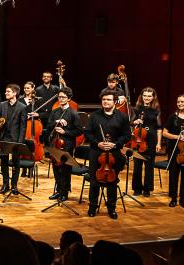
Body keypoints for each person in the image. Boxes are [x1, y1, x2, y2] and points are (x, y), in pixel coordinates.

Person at [85, 90, 132, 218]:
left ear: (115, 102)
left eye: (109, 99)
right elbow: (87, 133)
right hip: (96, 152)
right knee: (94, 181)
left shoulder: (122, 117)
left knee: (112, 181)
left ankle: (111, 208)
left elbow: (127, 135)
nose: (105, 101)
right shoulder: (94, 116)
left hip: (114, 152)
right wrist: (97, 143)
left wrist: (115, 144)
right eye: (104, 99)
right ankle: (93, 207)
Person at [46, 88, 83, 201]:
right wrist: (56, 122)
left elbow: (79, 131)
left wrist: (65, 132)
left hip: (67, 145)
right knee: (56, 169)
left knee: (65, 170)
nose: (60, 99)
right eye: (59, 97)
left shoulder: (73, 113)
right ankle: (58, 190)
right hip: (55, 144)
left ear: (69, 99)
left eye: (63, 97)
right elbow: (48, 126)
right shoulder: (55, 112)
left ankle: (65, 192)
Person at [0, 84, 28, 195]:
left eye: (8, 91)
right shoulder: (2, 105)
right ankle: (5, 184)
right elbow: (0, 121)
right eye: (6, 91)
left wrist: (20, 142)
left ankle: (14, 185)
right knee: (3, 162)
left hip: (15, 139)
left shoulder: (22, 107)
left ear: (14, 93)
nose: (6, 93)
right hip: (4, 138)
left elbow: (23, 126)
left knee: (15, 163)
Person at [131, 87, 163, 198]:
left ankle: (147, 189)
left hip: (151, 139)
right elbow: (131, 122)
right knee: (137, 165)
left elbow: (159, 128)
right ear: (141, 96)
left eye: (149, 96)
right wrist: (135, 121)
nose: (146, 98)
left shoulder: (156, 110)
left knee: (149, 165)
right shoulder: (137, 108)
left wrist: (159, 143)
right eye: (145, 95)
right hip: (139, 139)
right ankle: (137, 188)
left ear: (153, 97)